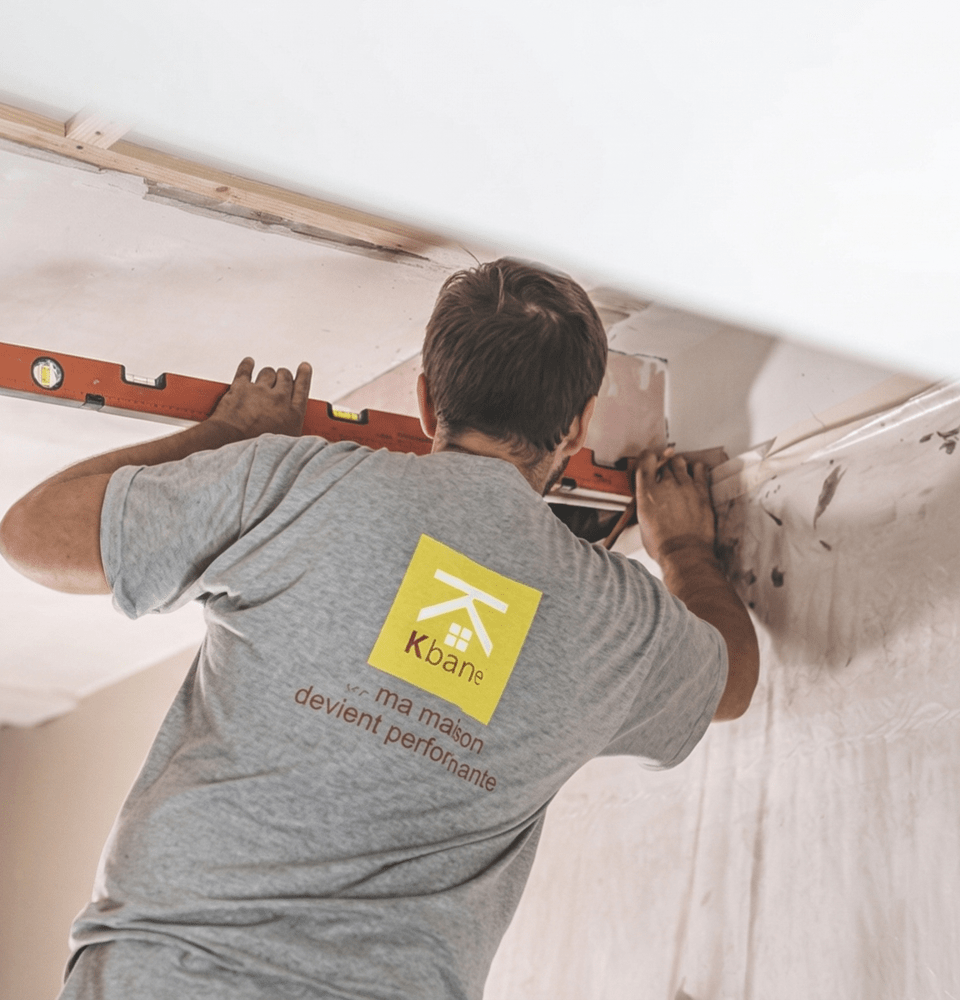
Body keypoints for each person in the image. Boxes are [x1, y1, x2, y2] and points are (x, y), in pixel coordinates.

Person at [0, 258, 759, 1000]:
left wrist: (227, 435)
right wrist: (686, 551)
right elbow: (731, 683)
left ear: (426, 401)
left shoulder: (298, 482)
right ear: (580, 424)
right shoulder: (617, 620)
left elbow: (33, 533)